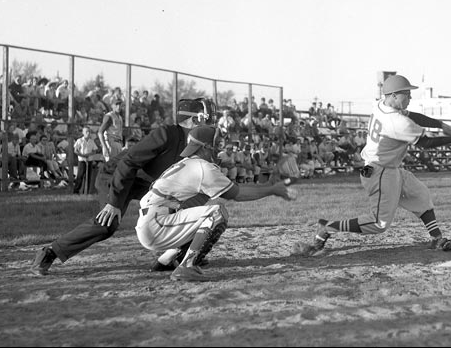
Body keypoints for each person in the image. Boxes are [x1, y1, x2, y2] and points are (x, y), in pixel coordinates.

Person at [30, 98, 217, 276]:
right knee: (106, 225)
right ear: (193, 120)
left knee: (194, 205)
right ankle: (50, 252)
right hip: (115, 176)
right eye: (205, 119)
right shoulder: (166, 133)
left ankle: (171, 258)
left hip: (145, 183)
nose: (209, 124)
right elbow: (128, 162)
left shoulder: (193, 143)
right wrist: (114, 202)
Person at [295, 74, 451, 257]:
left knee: (421, 195)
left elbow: (413, 116)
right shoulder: (397, 122)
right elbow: (425, 143)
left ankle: (437, 238)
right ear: (393, 95)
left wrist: (440, 124)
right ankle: (328, 228)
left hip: (389, 168)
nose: (410, 98)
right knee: (378, 224)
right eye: (406, 94)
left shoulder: (380, 105)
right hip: (381, 172)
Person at [136, 125, 296, 282]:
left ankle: (165, 260)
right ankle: (188, 265)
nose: (217, 150)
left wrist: (268, 186)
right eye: (216, 145)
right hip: (156, 224)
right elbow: (237, 194)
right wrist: (272, 190)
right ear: (205, 147)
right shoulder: (202, 167)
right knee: (216, 212)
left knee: (209, 207)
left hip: (152, 221)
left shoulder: (189, 163)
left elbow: (227, 193)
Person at [73, 126, 99, 194]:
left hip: (89, 160)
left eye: (89, 132)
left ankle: (87, 191)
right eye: (86, 132)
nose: (88, 133)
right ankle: (76, 190)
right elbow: (76, 150)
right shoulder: (80, 140)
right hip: (82, 161)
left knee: (88, 176)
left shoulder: (91, 141)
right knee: (80, 176)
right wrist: (83, 155)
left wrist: (89, 154)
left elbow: (95, 151)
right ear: (83, 133)